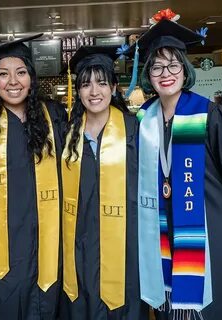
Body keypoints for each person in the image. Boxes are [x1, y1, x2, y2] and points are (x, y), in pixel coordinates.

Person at [127, 9, 222, 320]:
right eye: (157, 67)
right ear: (148, 75)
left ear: (185, 68)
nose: (166, 72)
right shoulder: (143, 119)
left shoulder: (209, 115)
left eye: (173, 64)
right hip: (161, 231)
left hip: (210, 228)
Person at [0, 34, 67, 319]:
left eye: (20, 72)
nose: (13, 81)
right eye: (3, 74)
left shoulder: (53, 117)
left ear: (31, 78)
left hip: (45, 236)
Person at [59, 45, 149, 320]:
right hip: (80, 241)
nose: (94, 92)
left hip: (125, 240)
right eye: (85, 84)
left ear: (113, 86)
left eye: (101, 83)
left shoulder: (136, 130)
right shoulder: (66, 134)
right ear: (78, 91)